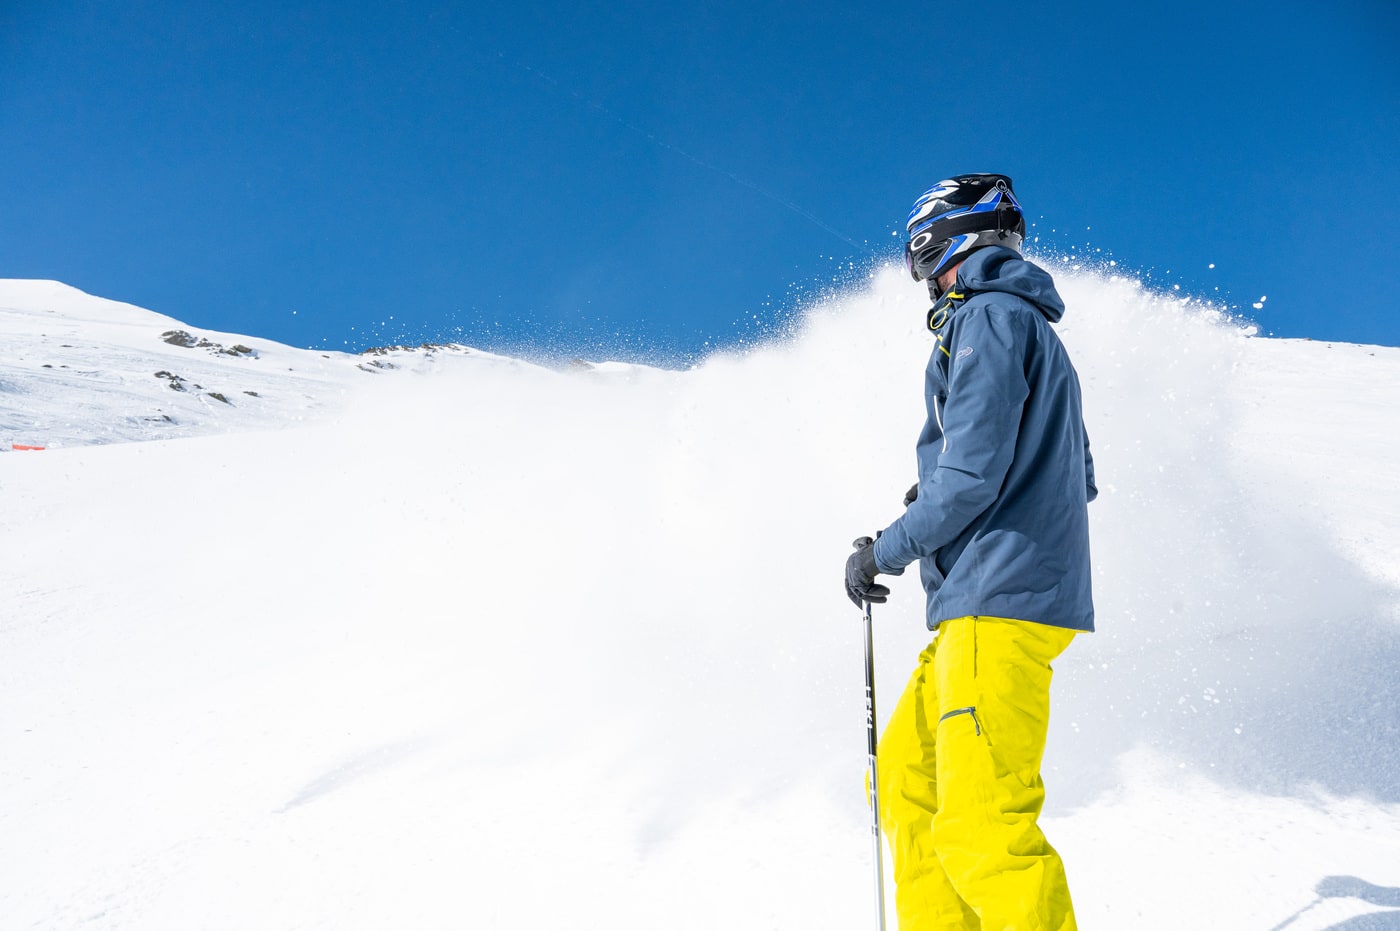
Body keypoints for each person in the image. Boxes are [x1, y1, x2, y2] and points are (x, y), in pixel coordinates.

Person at [843, 173, 1096, 931]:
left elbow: (973, 477)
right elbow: (1072, 476)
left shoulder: (987, 317)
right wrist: (946, 496)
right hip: (984, 606)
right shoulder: (1028, 330)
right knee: (905, 784)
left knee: (981, 823)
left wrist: (885, 549)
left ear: (950, 246)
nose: (928, 286)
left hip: (995, 603)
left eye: (927, 267)